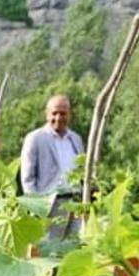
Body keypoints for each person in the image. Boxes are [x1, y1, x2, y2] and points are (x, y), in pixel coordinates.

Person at [20, 94, 84, 239]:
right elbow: (27, 178)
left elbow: (82, 170)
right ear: (47, 114)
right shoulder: (35, 138)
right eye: (54, 113)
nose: (58, 117)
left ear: (69, 114)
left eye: (63, 113)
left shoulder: (76, 139)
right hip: (50, 204)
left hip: (75, 202)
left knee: (72, 248)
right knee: (49, 250)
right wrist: (36, 208)